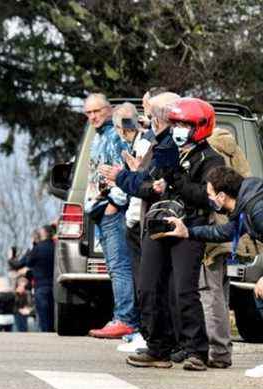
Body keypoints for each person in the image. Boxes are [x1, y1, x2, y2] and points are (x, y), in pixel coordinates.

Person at [111, 97, 223, 371]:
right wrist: (142, 182)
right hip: (157, 225)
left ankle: (195, 349)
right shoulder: (165, 150)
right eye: (176, 123)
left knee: (183, 290)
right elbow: (148, 182)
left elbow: (205, 197)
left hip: (188, 228)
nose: (179, 129)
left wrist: (175, 178)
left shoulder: (211, 159)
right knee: (148, 287)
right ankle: (157, 346)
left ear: (199, 126)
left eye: (185, 124)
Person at [162, 166, 263, 376]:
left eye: (210, 194)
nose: (209, 199)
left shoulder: (256, 208)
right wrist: (188, 232)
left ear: (222, 196)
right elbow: (223, 231)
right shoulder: (246, 205)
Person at [82, 93, 139, 339]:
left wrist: (114, 203)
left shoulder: (116, 135)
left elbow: (125, 169)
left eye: (97, 111)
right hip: (99, 208)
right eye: (88, 113)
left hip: (112, 209)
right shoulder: (98, 137)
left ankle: (125, 319)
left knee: (120, 266)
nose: (93, 116)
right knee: (114, 267)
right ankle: (121, 317)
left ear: (109, 110)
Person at [112, 102, 150, 351]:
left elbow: (141, 183)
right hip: (134, 218)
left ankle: (145, 333)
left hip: (141, 218)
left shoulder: (144, 144)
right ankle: (143, 331)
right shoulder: (136, 144)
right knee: (139, 279)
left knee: (144, 281)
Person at [15, 227, 55, 332]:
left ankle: (46, 333)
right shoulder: (56, 246)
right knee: (52, 312)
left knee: (43, 314)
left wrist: (31, 247)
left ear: (44, 234)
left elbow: (28, 262)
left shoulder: (38, 248)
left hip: (41, 285)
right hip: (55, 285)